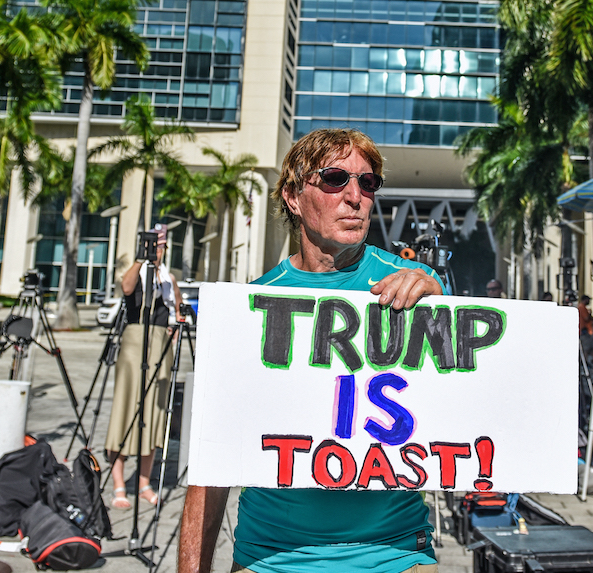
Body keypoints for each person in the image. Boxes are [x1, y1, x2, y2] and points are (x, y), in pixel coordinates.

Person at [178, 128, 445, 573]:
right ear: (293, 197)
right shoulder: (253, 305)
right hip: (273, 557)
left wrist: (438, 291)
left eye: (368, 182)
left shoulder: (412, 282)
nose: (355, 196)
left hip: (396, 554)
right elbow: (211, 466)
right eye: (335, 179)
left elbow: (477, 367)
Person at [106, 223, 179, 510]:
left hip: (160, 342)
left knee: (154, 411)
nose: (156, 251)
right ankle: (119, 483)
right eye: (153, 246)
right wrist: (140, 258)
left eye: (160, 246)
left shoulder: (166, 278)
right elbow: (126, 288)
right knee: (126, 408)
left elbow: (176, 311)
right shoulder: (137, 273)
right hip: (135, 340)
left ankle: (144, 481)